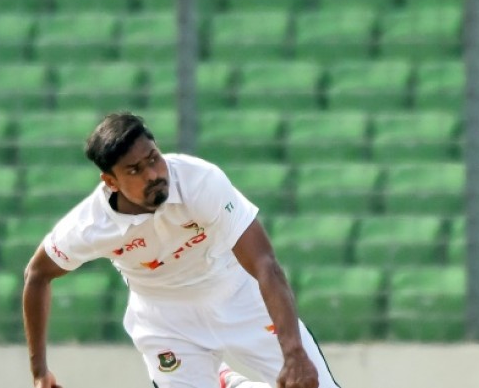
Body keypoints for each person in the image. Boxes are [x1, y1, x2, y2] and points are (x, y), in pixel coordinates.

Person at [23, 112, 341, 388]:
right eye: (134, 170)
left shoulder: (199, 182)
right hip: (166, 322)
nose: (153, 175)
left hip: (238, 298)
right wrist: (39, 372)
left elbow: (264, 264)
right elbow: (37, 275)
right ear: (111, 181)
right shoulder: (90, 225)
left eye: (153, 158)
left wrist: (294, 352)